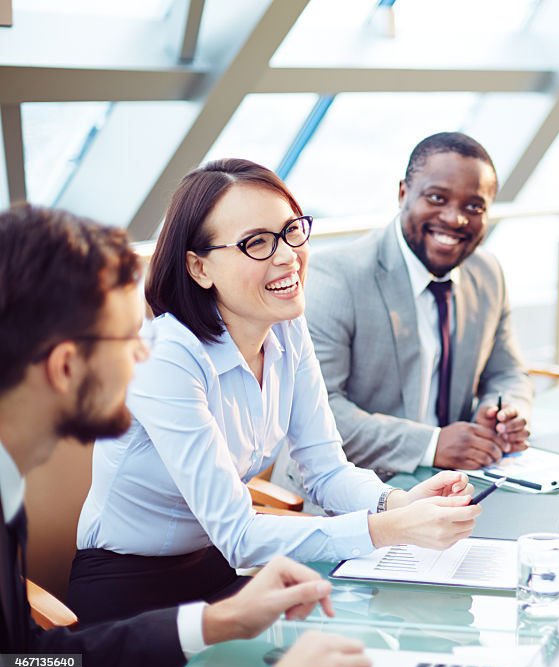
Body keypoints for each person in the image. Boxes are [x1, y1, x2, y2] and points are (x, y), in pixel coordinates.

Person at [69, 159, 480, 626]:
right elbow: (240, 534)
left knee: (351, 642)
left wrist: (398, 503)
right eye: (257, 243)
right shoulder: (166, 358)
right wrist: (389, 529)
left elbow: (325, 470)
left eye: (291, 232)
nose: (287, 256)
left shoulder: (285, 329)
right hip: (128, 592)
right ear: (199, 267)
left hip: (215, 570)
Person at [0, 204, 374, 667]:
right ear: (65, 366)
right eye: (127, 338)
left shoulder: (9, 490)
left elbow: (29, 660)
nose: (143, 353)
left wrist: (214, 622)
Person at [302, 132, 533, 475]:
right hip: (352, 489)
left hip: (456, 482)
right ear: (402, 193)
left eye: (474, 206)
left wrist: (505, 411)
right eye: (437, 198)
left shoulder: (487, 273)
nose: (455, 219)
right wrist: (431, 445)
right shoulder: (337, 278)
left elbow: (507, 372)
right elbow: (317, 413)